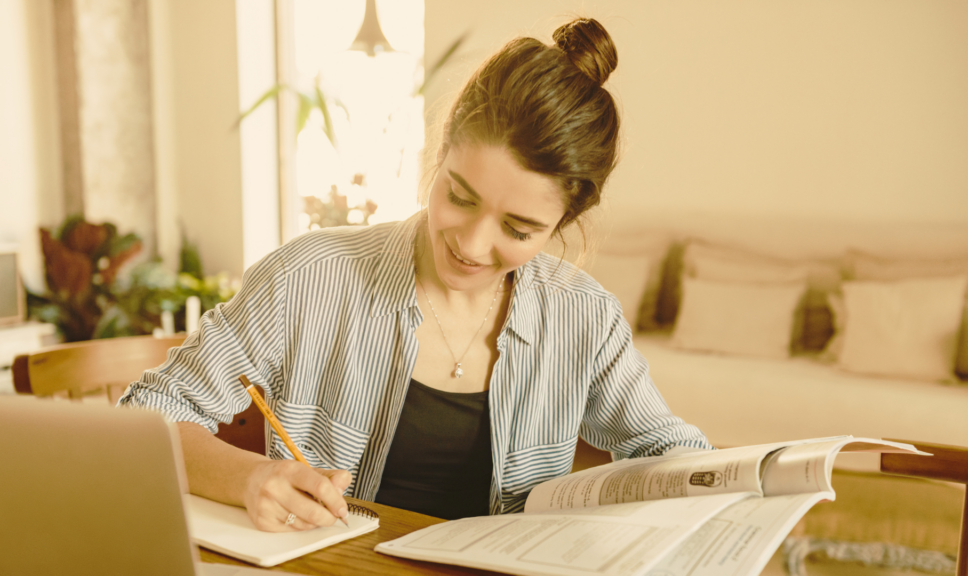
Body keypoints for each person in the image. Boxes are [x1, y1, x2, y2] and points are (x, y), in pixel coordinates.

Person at [119, 17, 711, 532]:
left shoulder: (583, 315)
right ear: (441, 149)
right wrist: (252, 478)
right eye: (459, 196)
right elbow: (146, 418)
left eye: (519, 229)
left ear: (565, 221)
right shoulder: (309, 277)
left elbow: (666, 449)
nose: (473, 245)